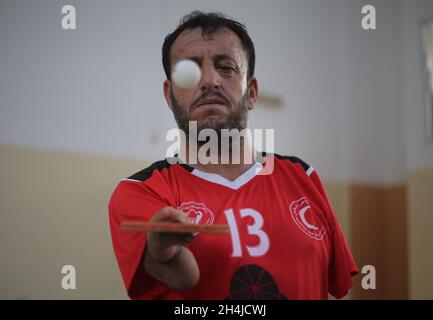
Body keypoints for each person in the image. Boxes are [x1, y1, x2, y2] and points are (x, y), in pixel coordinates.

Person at [109, 11, 358, 300]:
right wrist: (161, 250)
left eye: (226, 68)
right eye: (189, 71)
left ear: (251, 92)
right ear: (169, 95)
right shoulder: (140, 192)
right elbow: (180, 275)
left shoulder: (303, 176)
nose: (210, 81)